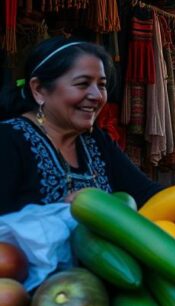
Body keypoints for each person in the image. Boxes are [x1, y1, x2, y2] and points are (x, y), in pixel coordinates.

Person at [0, 38, 162, 214]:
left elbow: (148, 196)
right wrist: (58, 213)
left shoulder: (97, 141)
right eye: (82, 84)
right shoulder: (8, 140)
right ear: (39, 90)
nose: (97, 96)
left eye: (102, 85)